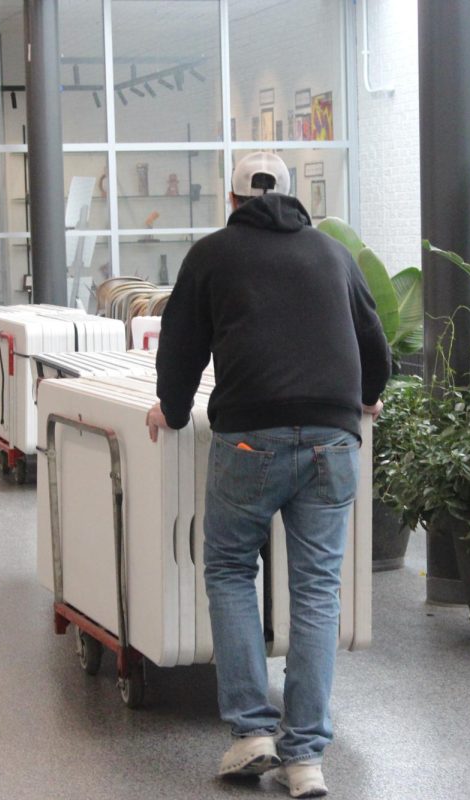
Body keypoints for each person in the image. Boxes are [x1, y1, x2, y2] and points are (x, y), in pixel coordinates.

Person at [146, 151, 390, 798]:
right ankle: (305, 758)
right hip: (334, 441)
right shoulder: (334, 255)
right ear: (295, 199)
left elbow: (180, 346)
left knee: (229, 570)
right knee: (315, 591)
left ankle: (253, 732)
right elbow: (374, 340)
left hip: (250, 439)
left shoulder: (212, 254)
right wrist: (368, 395)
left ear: (232, 201)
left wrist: (170, 412)